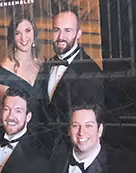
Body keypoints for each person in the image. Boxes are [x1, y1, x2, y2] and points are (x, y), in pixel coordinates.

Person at [36, 9, 103, 146]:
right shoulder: (47, 66)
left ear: (78, 33)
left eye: (67, 31)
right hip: (43, 150)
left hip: (71, 150)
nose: (60, 37)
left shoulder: (90, 72)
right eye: (56, 30)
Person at [0, 14, 42, 115]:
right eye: (17, 33)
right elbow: (2, 117)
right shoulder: (4, 73)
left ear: (34, 33)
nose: (23, 37)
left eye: (28, 31)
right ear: (12, 37)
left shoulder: (42, 65)